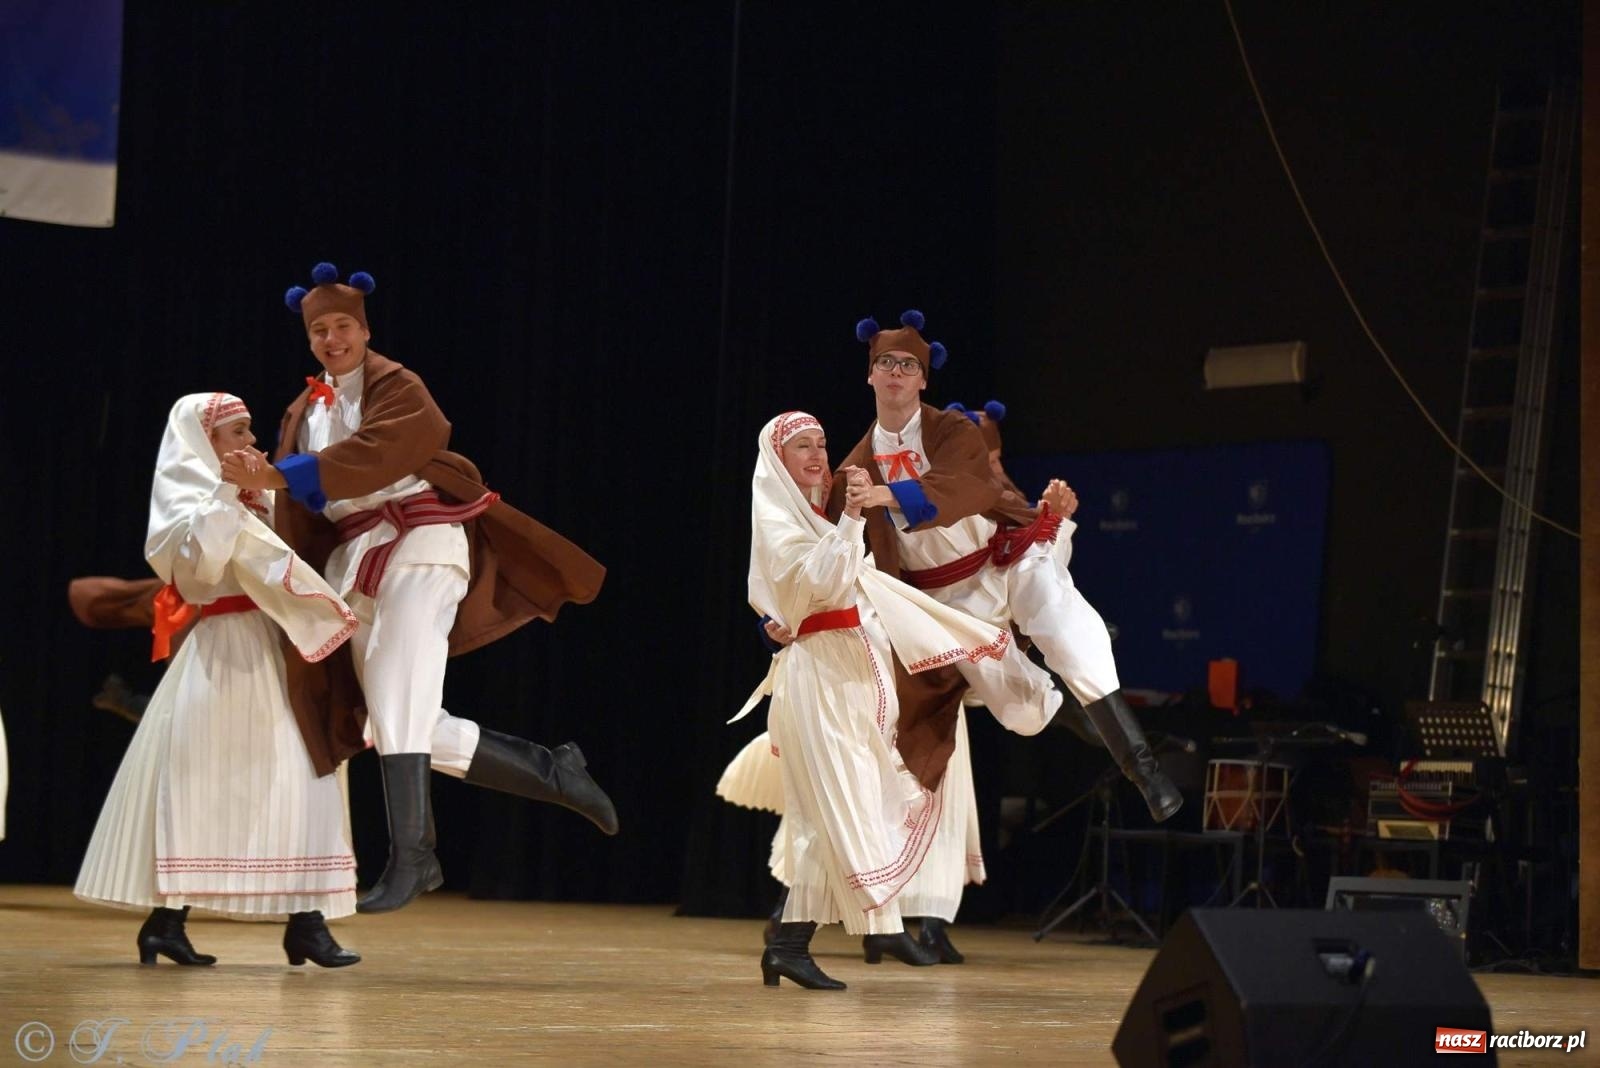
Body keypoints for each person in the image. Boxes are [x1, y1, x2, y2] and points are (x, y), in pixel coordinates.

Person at [222, 263, 618, 914]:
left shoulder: (396, 384)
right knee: (389, 721)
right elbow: (300, 505)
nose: (332, 338)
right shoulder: (304, 408)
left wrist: (282, 475)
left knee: (400, 709)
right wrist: (257, 496)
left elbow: (389, 448)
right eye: (319, 329)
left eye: (342, 325)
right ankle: (554, 772)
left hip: (420, 545)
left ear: (365, 327)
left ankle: (414, 856)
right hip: (359, 560)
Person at [830, 311, 1182, 824]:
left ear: (924, 378)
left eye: (909, 364)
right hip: (950, 605)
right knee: (1021, 711)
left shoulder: (954, 429)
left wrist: (885, 493)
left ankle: (1144, 770)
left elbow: (966, 489)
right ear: (870, 374)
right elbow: (831, 553)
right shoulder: (853, 468)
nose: (897, 372)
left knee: (1067, 630)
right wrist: (784, 616)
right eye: (886, 362)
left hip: (1003, 560)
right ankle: (1068, 697)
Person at [75, 393, 363, 968]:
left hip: (278, 645)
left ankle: (307, 922)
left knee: (306, 777)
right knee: (200, 784)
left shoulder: (261, 492)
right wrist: (231, 492)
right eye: (237, 432)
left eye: (250, 430)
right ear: (204, 444)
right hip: (225, 647)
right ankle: (166, 922)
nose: (250, 442)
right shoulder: (190, 499)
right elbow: (198, 571)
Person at [739, 410, 1015, 989]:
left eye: (822, 443)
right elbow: (826, 582)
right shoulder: (783, 519)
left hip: (846, 674)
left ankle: (789, 944)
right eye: (802, 448)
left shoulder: (810, 515)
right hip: (820, 684)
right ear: (778, 461)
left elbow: (791, 595)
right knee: (853, 811)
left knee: (833, 818)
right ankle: (850, 931)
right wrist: (851, 519)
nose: (817, 456)